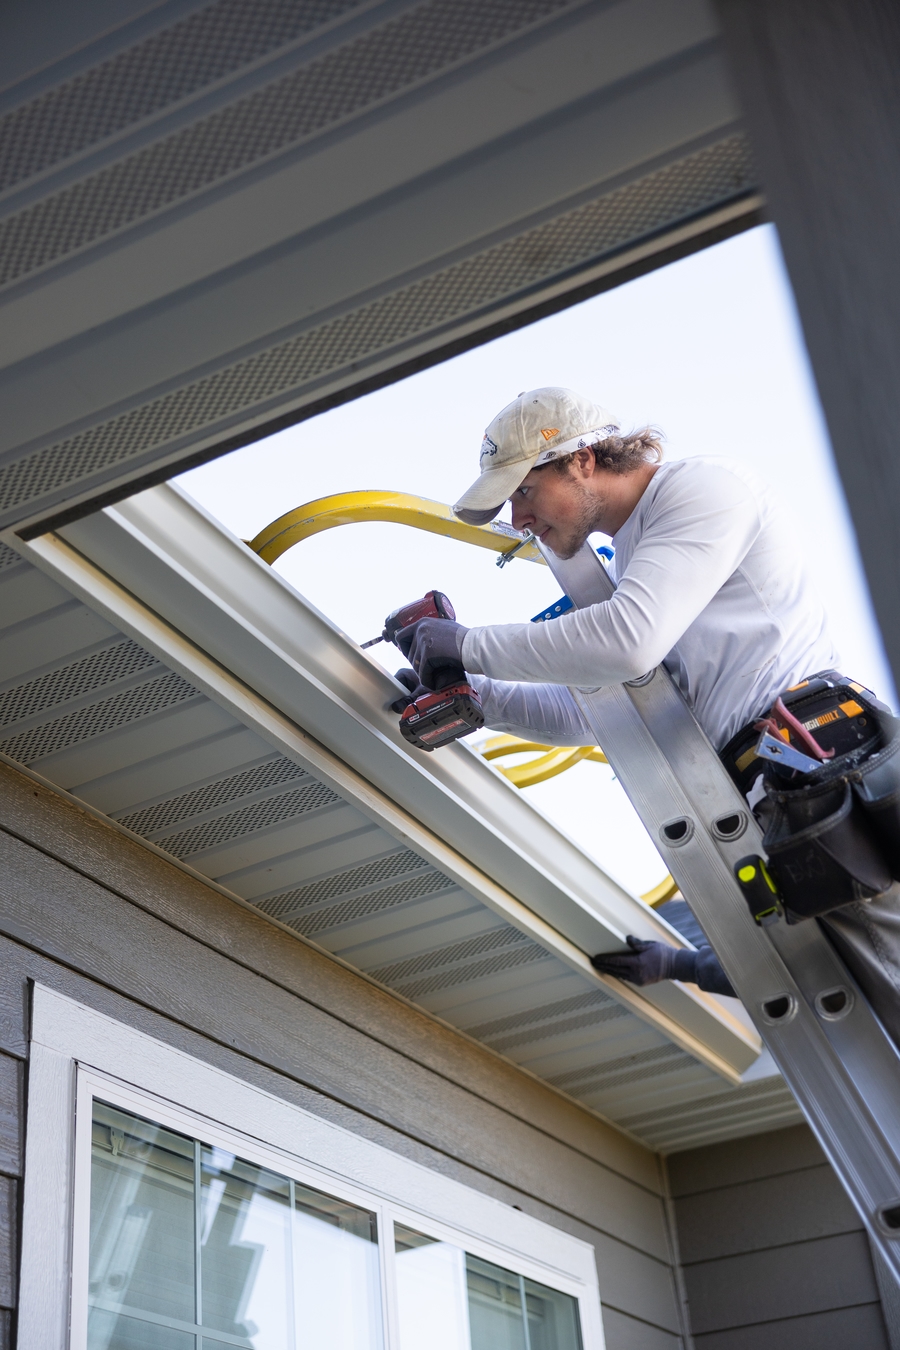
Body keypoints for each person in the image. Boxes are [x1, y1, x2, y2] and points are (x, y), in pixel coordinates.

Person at [393, 387, 900, 1038]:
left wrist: (467, 645)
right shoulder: (638, 562)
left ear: (578, 459)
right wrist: (480, 698)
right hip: (784, 809)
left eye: (522, 491)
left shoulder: (703, 491)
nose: (518, 519)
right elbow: (597, 712)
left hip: (831, 779)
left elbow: (627, 639)